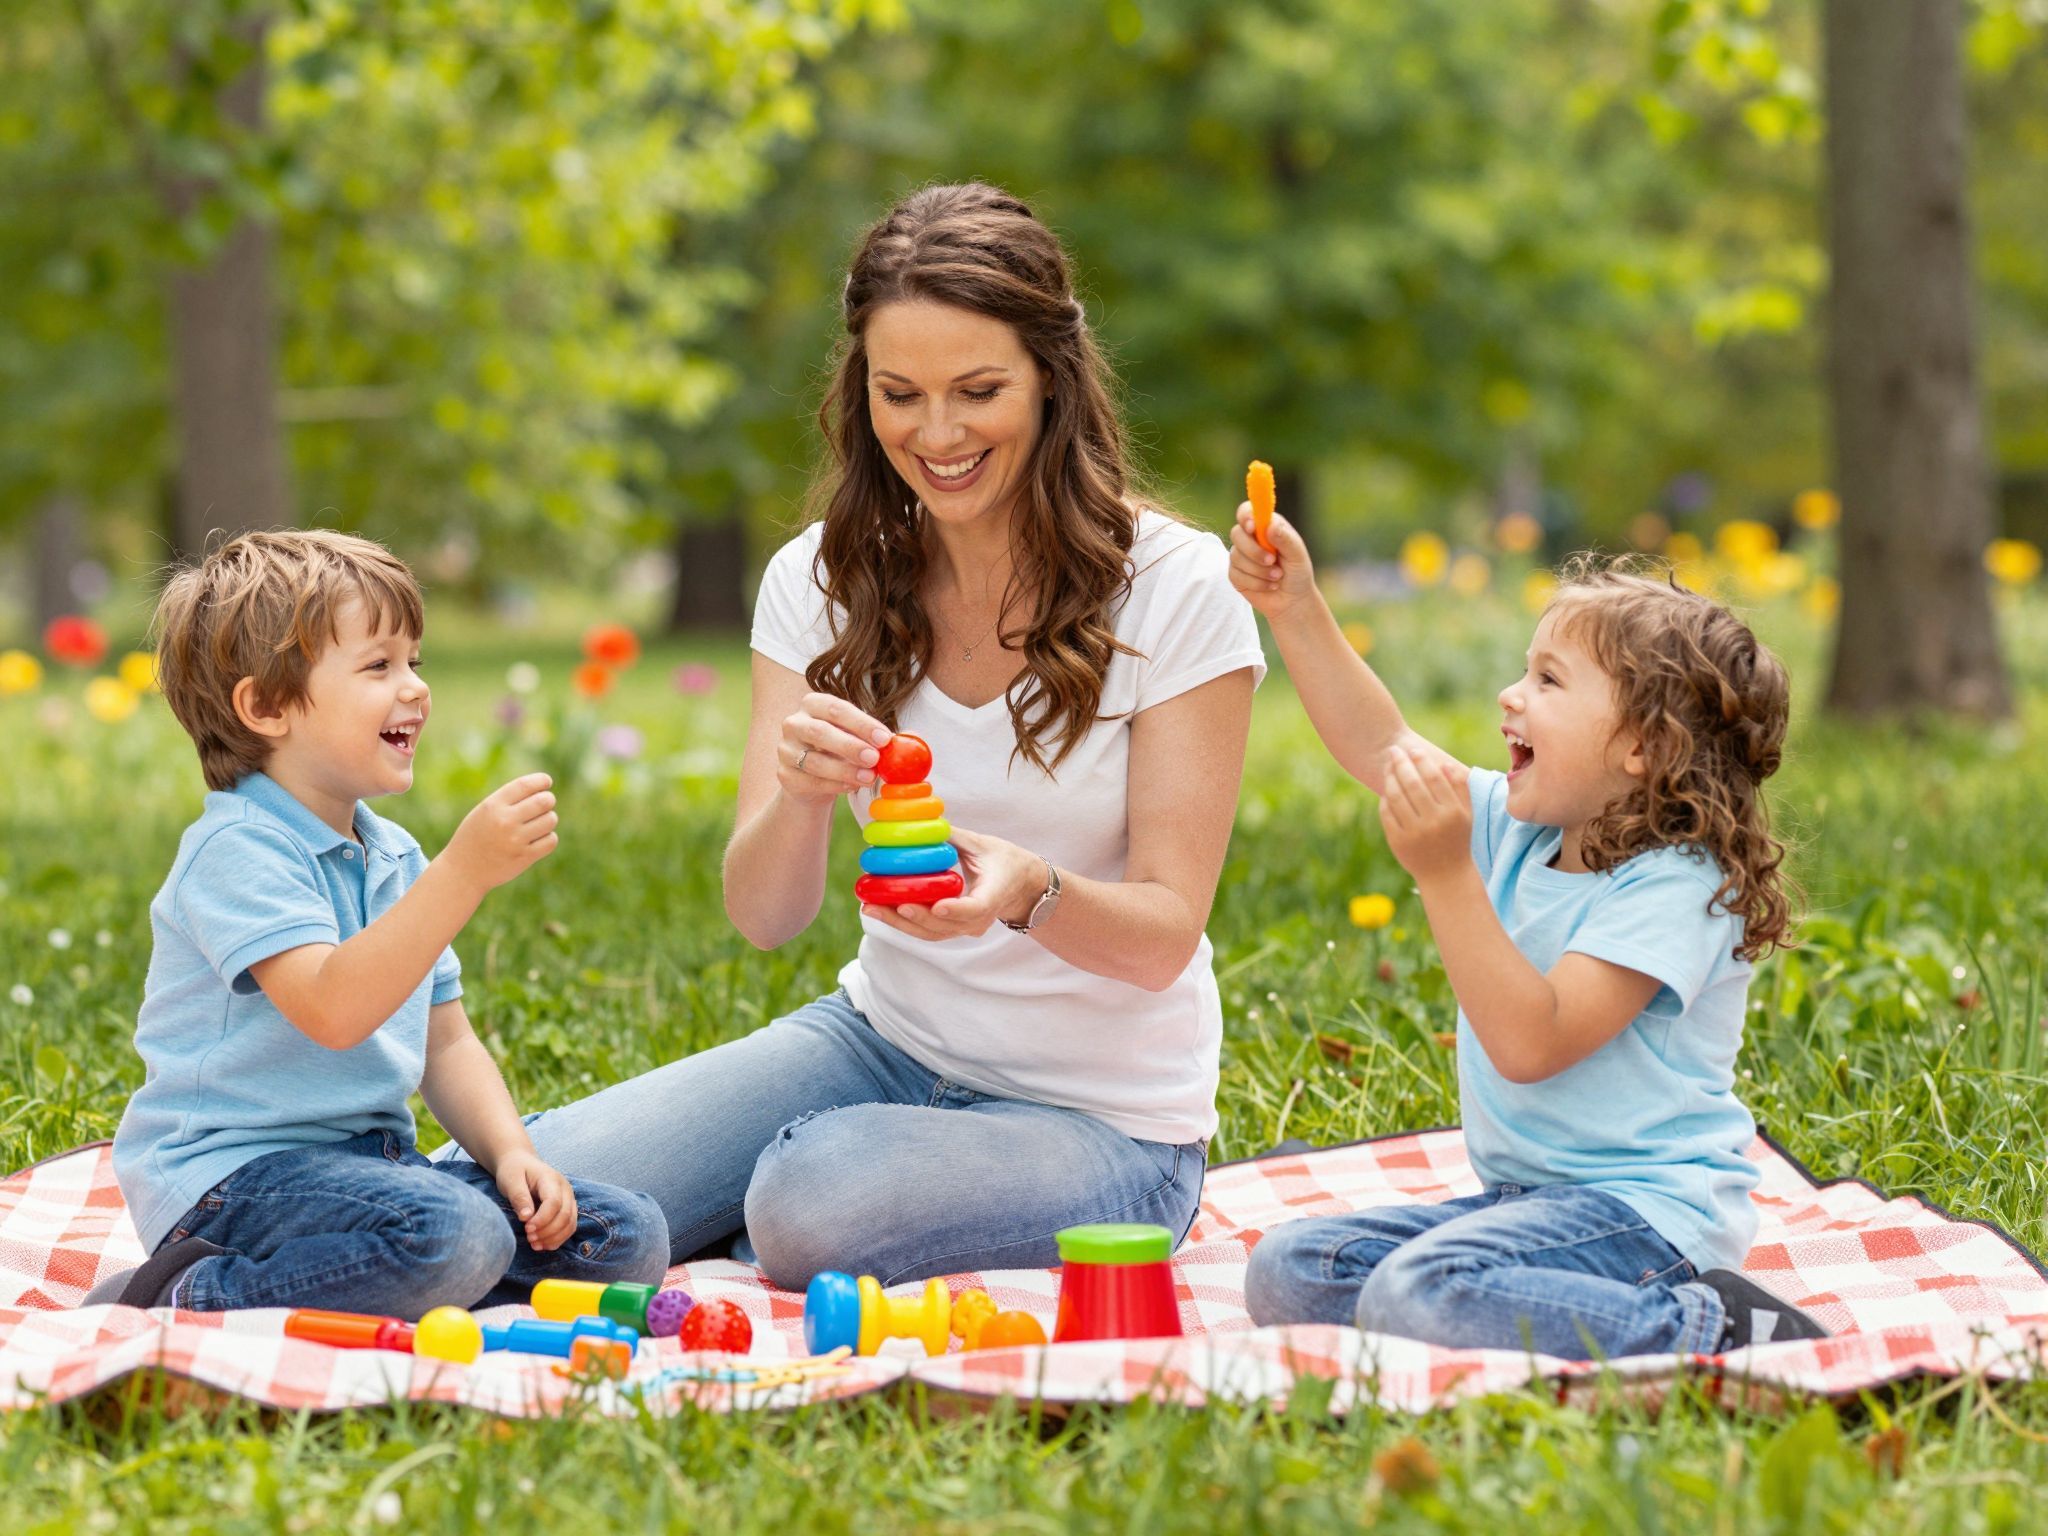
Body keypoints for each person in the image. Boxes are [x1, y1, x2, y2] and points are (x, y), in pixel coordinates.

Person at [510, 183, 1265, 1289]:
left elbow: (1160, 936)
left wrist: (1029, 891)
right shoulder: (817, 581)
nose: (937, 434)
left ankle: (772, 1201)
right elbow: (763, 917)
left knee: (809, 1203)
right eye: (897, 393)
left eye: (978, 391)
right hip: (879, 1044)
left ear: (1053, 378)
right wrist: (802, 795)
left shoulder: (1174, 587)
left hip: (1106, 1125)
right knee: (525, 1182)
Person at [1233, 506, 1825, 1357]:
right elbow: (1384, 744)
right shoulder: (1521, 829)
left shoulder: (1678, 885)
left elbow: (1532, 1042)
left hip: (1649, 1216)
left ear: (1644, 747)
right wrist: (1296, 608)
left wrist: (1442, 873)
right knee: (1293, 1267)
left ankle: (1714, 1325)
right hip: (1525, 1204)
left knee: (1420, 1293)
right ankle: (1512, 1304)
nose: (1511, 696)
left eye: (1549, 682)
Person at [94, 530, 667, 1317]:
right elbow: (334, 1009)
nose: (415, 689)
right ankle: (190, 1293)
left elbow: (448, 1043)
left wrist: (511, 1154)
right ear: (265, 706)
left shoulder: (392, 854)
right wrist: (464, 874)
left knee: (626, 1238)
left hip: (374, 1172)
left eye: (414, 663)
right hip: (232, 1185)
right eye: (378, 667)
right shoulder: (237, 848)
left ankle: (407, 1276)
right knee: (455, 1233)